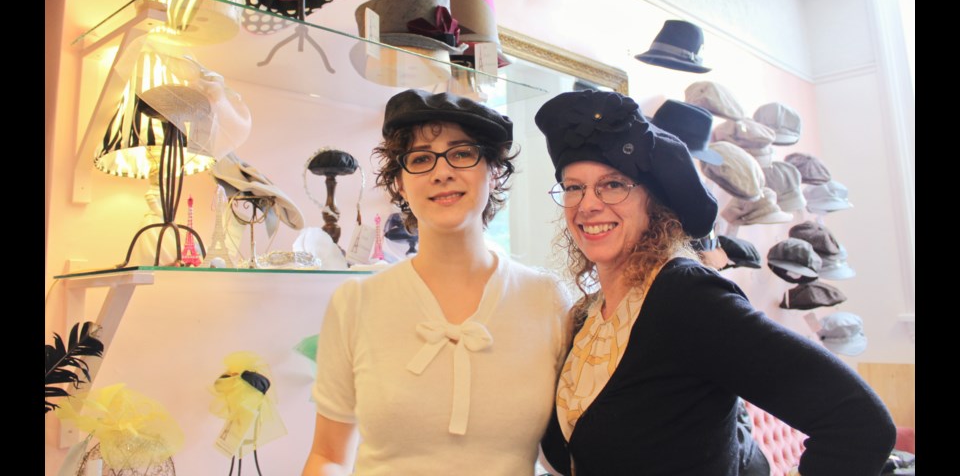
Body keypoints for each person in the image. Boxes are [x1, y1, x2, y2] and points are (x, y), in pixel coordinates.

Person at [534, 90, 896, 476]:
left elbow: (859, 423)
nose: (588, 204)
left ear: (653, 203)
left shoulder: (687, 299)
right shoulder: (587, 317)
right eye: (574, 187)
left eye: (613, 184)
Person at [302, 89, 571, 475]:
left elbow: (567, 454)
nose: (442, 172)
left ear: (494, 172)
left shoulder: (546, 299)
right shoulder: (355, 303)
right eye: (421, 159)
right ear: (398, 185)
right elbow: (327, 455)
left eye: (461, 153)